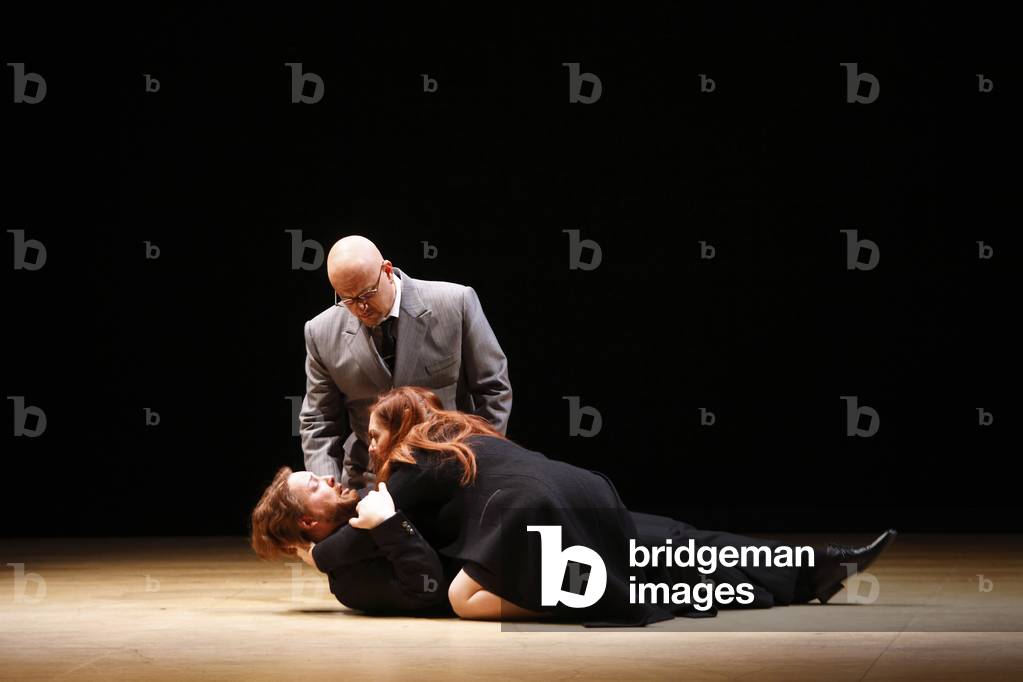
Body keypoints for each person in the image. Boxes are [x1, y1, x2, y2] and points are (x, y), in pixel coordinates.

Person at [251, 387, 897, 625]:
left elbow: (363, 548)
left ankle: (613, 595)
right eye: (316, 485)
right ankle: (813, 566)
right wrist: (333, 540)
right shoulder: (447, 436)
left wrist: (331, 544)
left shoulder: (400, 472)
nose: (339, 474)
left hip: (529, 519)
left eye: (369, 440)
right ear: (306, 517)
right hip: (581, 486)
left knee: (649, 576)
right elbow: (359, 551)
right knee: (673, 544)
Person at [299, 235, 512, 490]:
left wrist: (477, 460)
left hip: (451, 472)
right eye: (348, 299)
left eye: (367, 293)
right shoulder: (321, 332)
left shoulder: (456, 304)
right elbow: (319, 420)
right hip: (369, 481)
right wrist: (327, 485)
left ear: (387, 271)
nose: (361, 308)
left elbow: (493, 390)